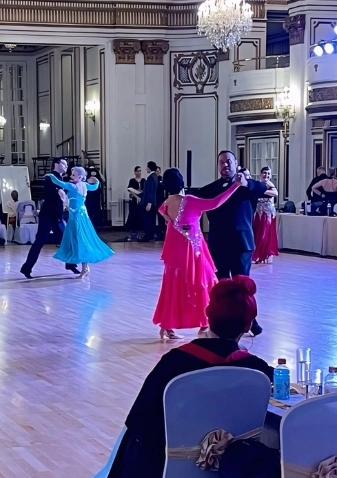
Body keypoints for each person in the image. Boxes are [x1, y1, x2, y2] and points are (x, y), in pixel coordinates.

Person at [109, 277, 274, 478]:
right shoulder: (258, 371)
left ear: (208, 315)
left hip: (166, 467)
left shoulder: (174, 363)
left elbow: (138, 420)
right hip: (233, 467)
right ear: (248, 326)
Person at [153, 168, 245, 339]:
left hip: (176, 252)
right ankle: (204, 324)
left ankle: (168, 327)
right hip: (192, 251)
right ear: (181, 182)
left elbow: (167, 218)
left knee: (174, 286)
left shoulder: (166, 203)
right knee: (205, 282)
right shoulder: (189, 200)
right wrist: (236, 186)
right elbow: (215, 203)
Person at [193, 151, 269, 336]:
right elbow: (192, 200)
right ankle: (223, 321)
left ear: (236, 164)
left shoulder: (248, 186)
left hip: (241, 243)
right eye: (221, 162)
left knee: (242, 285)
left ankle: (250, 320)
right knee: (221, 285)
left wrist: (246, 182)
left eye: (228, 162)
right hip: (218, 243)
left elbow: (263, 187)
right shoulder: (210, 189)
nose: (225, 165)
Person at [20, 157, 80, 278]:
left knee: (66, 239)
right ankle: (26, 268)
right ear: (56, 164)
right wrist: (60, 191)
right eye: (64, 163)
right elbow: (55, 189)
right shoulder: (49, 177)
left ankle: (70, 264)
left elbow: (64, 193)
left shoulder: (62, 178)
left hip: (56, 214)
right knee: (40, 241)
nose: (66, 166)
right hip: (48, 214)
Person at [52, 167, 114, 276]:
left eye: (73, 175)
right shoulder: (84, 185)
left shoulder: (73, 186)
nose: (71, 176)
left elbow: (58, 182)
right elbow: (94, 186)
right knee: (79, 239)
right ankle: (85, 267)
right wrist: (97, 181)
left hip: (77, 217)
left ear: (80, 177)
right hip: (78, 215)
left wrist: (49, 176)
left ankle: (84, 268)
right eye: (72, 174)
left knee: (80, 240)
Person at [252, 167, 279, 264]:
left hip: (267, 213)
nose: (266, 175)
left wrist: (262, 191)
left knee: (265, 234)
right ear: (260, 174)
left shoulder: (269, 184)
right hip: (258, 213)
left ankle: (264, 255)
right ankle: (258, 255)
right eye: (264, 173)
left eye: (268, 174)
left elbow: (276, 193)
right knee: (257, 234)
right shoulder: (258, 184)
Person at [138, 161, 161, 242]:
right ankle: (149, 235)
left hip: (148, 202)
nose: (146, 169)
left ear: (150, 167)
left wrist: (149, 203)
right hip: (150, 202)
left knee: (148, 220)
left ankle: (148, 236)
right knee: (150, 219)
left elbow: (151, 191)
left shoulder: (151, 177)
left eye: (147, 167)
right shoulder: (154, 176)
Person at [124, 166, 144, 241]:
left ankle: (140, 234)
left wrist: (140, 195)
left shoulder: (143, 180)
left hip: (142, 199)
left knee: (140, 216)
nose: (139, 172)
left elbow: (144, 189)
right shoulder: (132, 180)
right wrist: (136, 197)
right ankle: (131, 233)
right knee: (133, 215)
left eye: (140, 171)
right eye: (138, 171)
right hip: (134, 200)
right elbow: (130, 189)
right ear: (135, 172)